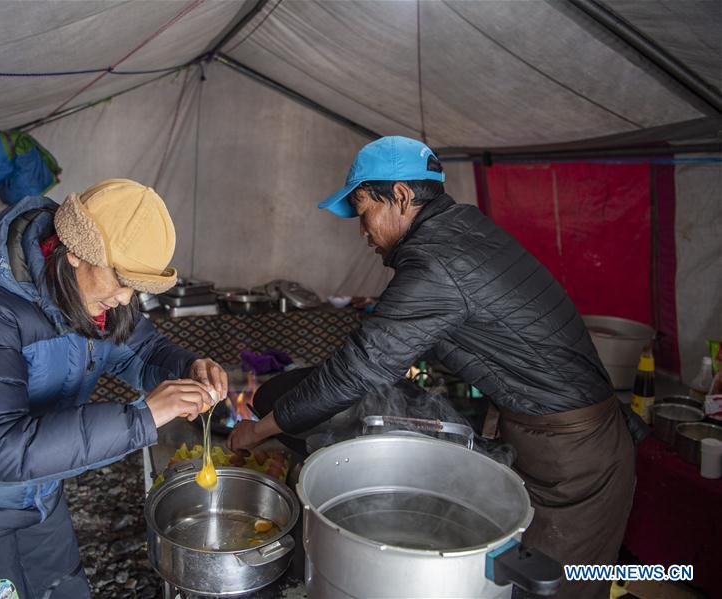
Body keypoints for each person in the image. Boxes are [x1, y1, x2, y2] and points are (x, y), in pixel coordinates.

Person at [228, 137, 636, 599]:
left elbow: (356, 369)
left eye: (363, 212)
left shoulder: (439, 262)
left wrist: (257, 431)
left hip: (575, 458)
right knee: (511, 580)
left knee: (553, 587)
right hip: (546, 437)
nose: (363, 232)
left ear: (401, 196)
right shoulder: (464, 231)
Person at [0, 179, 226, 598]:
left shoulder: (94, 294)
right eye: (122, 279)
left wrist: (187, 368)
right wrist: (143, 418)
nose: (126, 298)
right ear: (78, 253)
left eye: (139, 287)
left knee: (64, 589)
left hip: (37, 483)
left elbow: (140, 350)